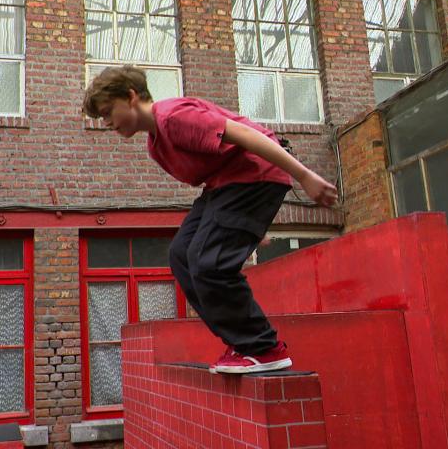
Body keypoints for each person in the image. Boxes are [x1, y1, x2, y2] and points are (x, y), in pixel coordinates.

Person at [83, 65, 338, 374]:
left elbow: (243, 134)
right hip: (226, 185)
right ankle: (241, 341)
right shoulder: (156, 145)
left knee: (208, 261)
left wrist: (304, 176)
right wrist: (250, 230)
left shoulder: (173, 117)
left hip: (256, 174)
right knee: (181, 256)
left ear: (131, 96)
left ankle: (263, 347)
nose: (107, 122)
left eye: (109, 112)